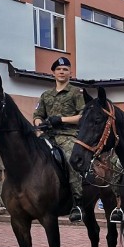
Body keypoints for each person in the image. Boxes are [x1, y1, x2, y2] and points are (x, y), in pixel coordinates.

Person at [33, 57, 87, 223]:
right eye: (59, 69)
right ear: (54, 73)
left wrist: (61, 120)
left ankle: (78, 203)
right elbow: (37, 115)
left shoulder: (76, 92)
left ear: (70, 72)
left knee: (71, 160)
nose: (62, 72)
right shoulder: (46, 95)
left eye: (65, 69)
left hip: (68, 135)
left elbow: (83, 116)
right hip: (48, 135)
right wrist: (39, 125)